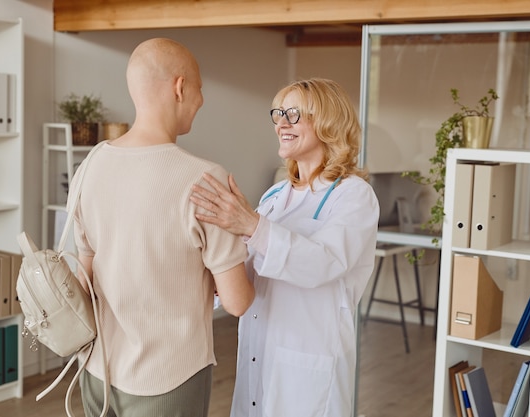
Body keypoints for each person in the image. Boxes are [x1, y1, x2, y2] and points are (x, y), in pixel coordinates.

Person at [70, 37, 254, 417]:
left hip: (96, 372)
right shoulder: (205, 180)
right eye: (200, 88)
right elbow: (237, 302)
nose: (201, 101)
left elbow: (84, 279)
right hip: (170, 381)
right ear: (180, 87)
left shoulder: (91, 164)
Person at [190, 78, 380, 417]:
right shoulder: (275, 196)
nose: (281, 123)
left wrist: (250, 225)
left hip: (308, 356)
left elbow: (325, 263)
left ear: (328, 123)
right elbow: (246, 270)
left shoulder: (353, 195)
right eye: (278, 113)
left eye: (294, 114)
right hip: (258, 351)